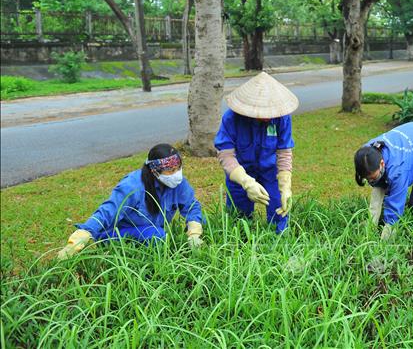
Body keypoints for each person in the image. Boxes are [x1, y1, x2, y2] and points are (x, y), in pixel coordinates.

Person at [58, 144, 204, 259]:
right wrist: (83, 234)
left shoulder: (178, 183)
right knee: (156, 235)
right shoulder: (132, 186)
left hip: (148, 233)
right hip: (115, 234)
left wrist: (194, 233)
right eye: (170, 171)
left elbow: (191, 206)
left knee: (156, 235)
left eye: (178, 168)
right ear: (155, 171)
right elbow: (108, 211)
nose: (177, 174)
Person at [215, 72, 298, 234]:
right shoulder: (231, 119)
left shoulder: (282, 118)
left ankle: (279, 241)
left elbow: (284, 151)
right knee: (239, 218)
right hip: (240, 172)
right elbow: (226, 155)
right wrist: (247, 182)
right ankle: (242, 246)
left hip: (270, 171)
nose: (268, 117)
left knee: (279, 209)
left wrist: (285, 184)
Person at [354, 122, 413, 239]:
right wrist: (371, 224)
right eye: (367, 179)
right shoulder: (365, 155)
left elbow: (394, 212)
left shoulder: (398, 170)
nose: (370, 181)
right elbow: (378, 185)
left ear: (382, 164)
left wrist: (385, 241)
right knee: (384, 183)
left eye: (372, 177)